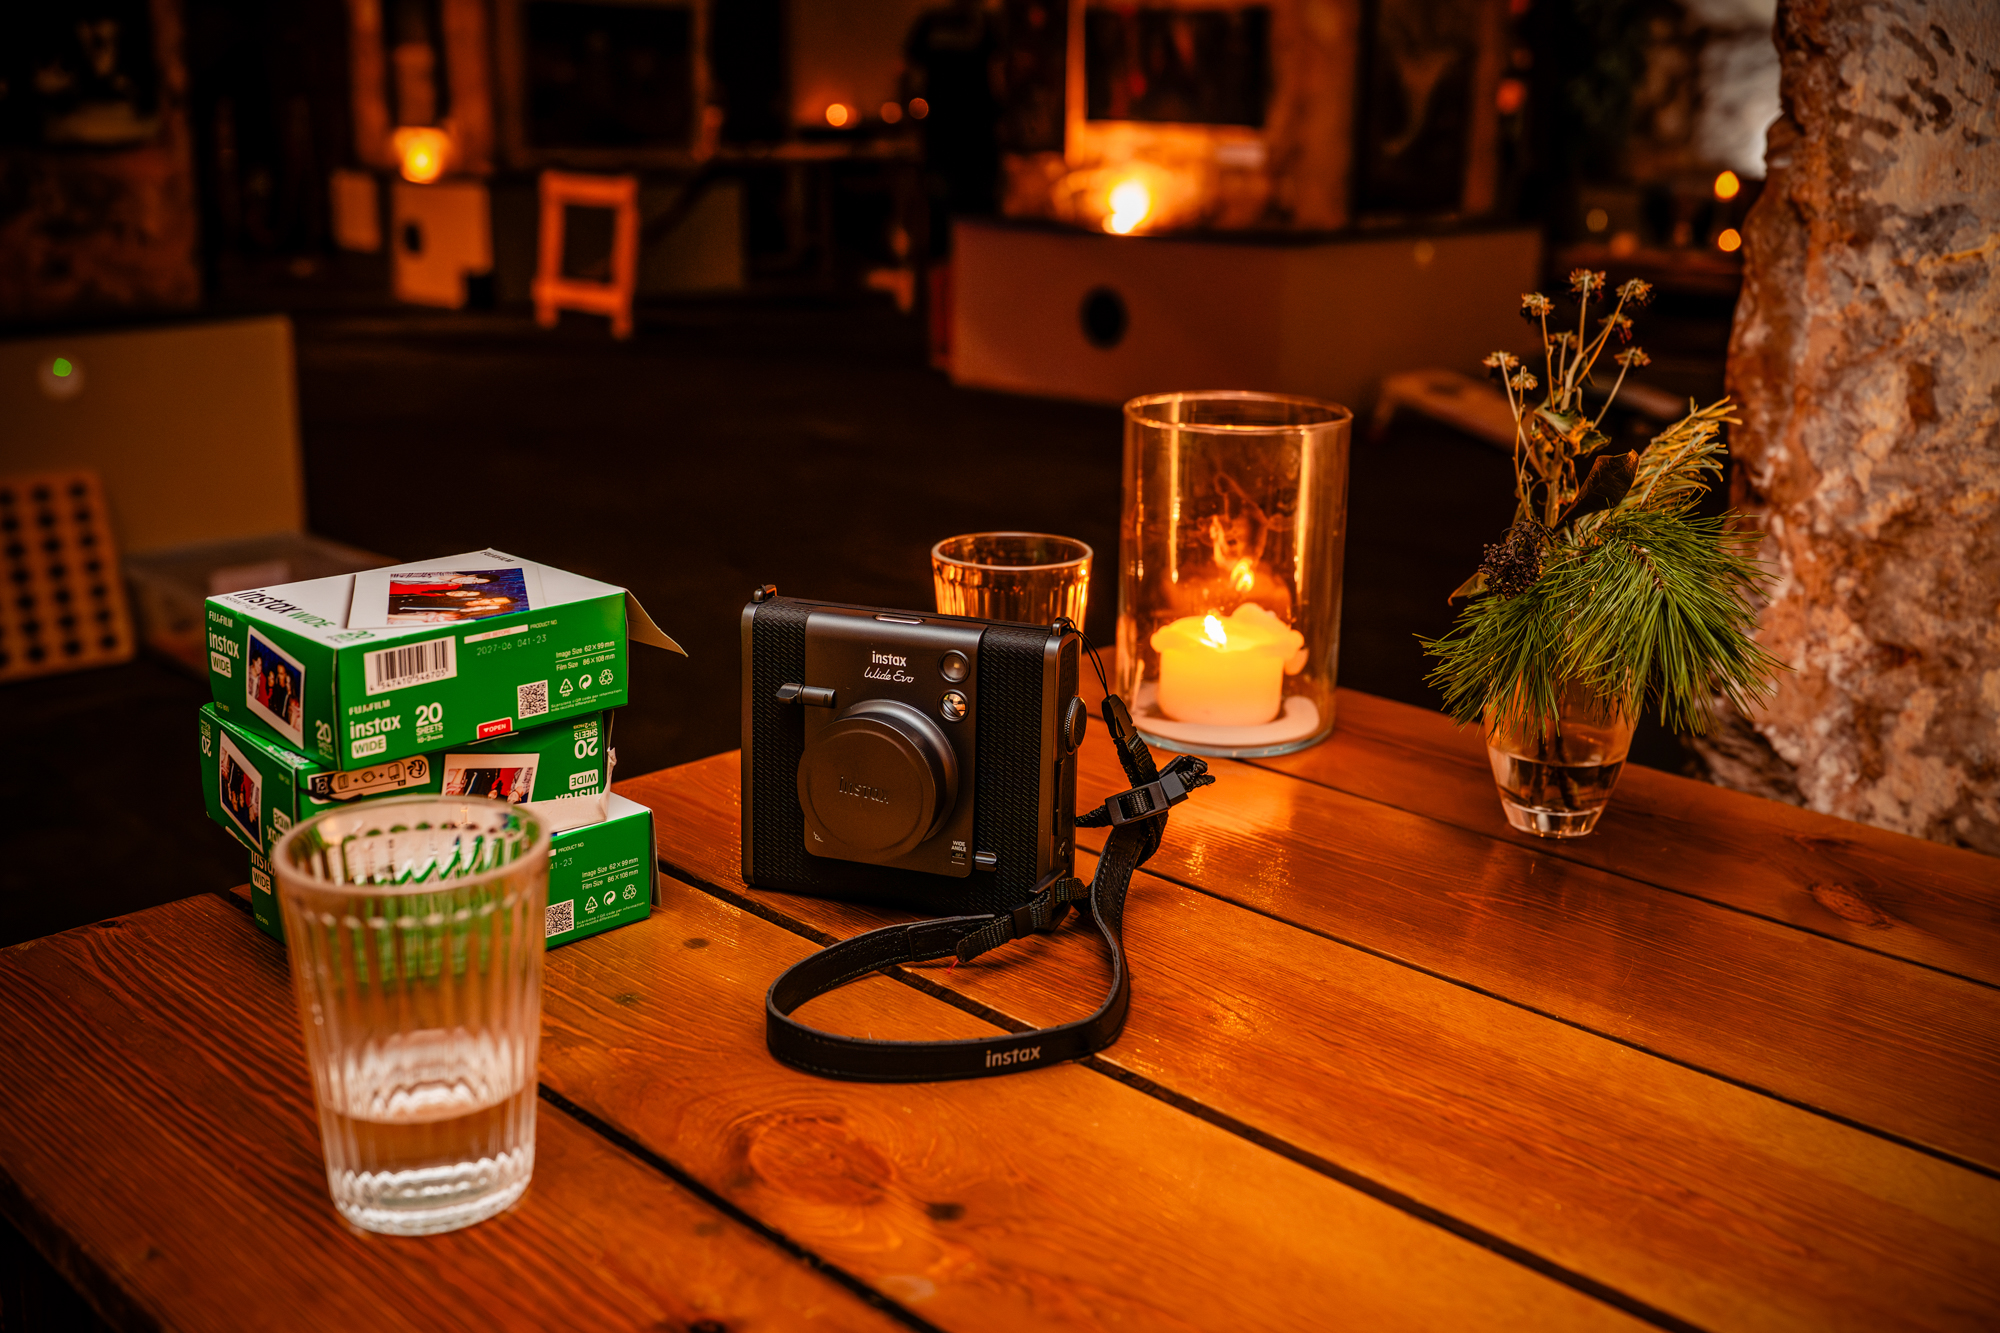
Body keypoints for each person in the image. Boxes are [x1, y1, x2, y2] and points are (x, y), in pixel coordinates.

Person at [904, 0, 1001, 254]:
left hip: (970, 133)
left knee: (965, 212)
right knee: (951, 212)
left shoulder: (984, 23)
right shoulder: (939, 23)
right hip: (954, 132)